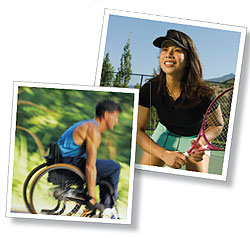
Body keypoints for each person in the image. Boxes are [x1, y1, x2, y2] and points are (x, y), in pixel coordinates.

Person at [137, 29, 217, 173]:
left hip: (195, 137)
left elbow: (217, 125)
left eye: (177, 50)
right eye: (165, 49)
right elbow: (137, 130)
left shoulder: (205, 94)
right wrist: (163, 154)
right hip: (164, 132)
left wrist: (201, 142)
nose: (168, 54)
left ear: (188, 60)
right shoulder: (149, 88)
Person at [57, 99, 122, 217]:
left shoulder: (88, 124)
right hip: (71, 163)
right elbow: (90, 166)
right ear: (106, 115)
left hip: (66, 160)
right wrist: (92, 198)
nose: (117, 122)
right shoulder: (93, 130)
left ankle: (106, 207)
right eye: (116, 117)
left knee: (107, 168)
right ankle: (107, 209)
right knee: (114, 167)